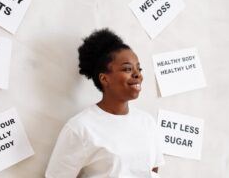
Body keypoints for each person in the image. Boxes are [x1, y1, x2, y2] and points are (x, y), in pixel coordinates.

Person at [45, 28, 164, 178]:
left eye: (138, 68)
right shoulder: (80, 128)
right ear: (104, 79)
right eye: (127, 69)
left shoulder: (147, 122)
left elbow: (152, 171)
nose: (137, 75)